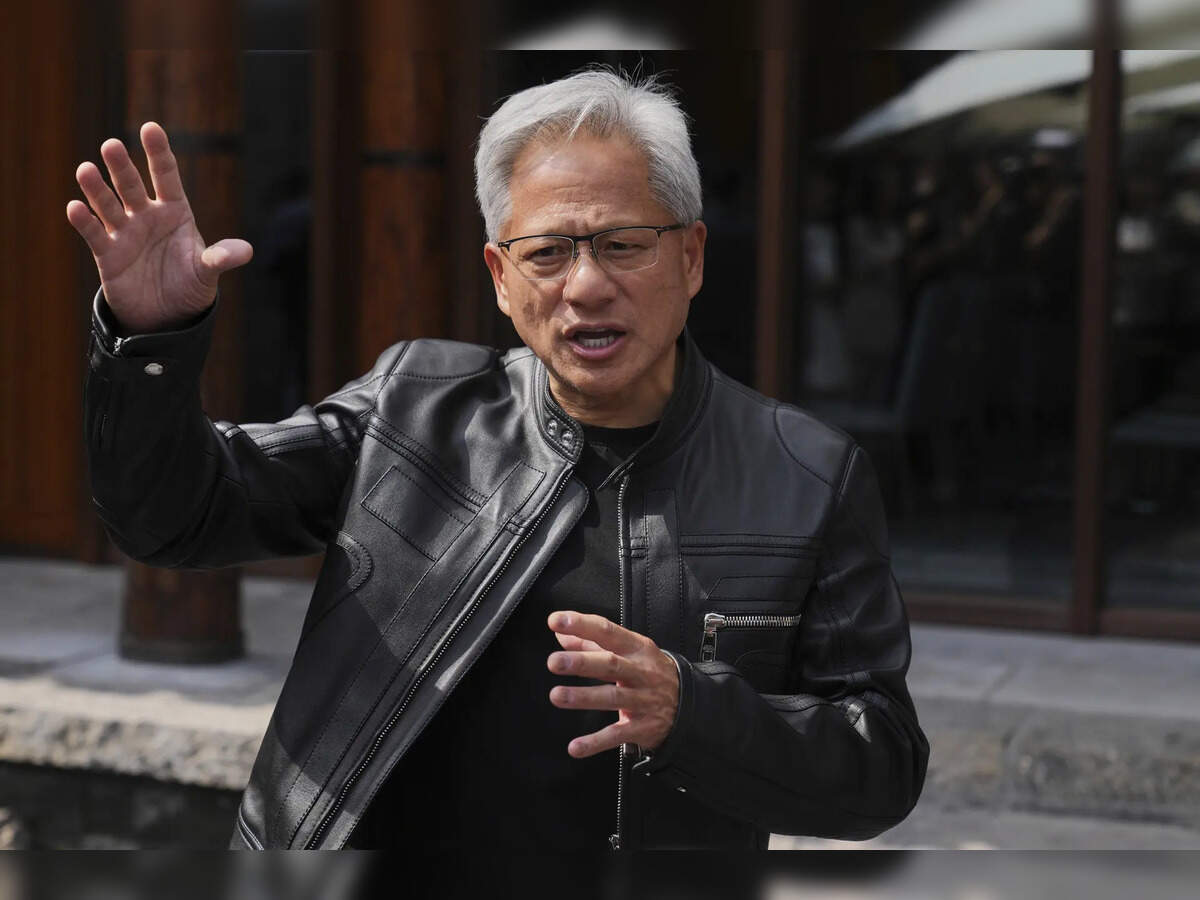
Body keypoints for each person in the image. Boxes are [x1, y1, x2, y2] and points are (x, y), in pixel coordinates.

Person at [68, 69, 928, 850]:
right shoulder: (412, 410)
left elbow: (881, 765)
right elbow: (174, 518)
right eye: (547, 252)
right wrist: (151, 343)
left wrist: (693, 712)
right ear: (500, 277)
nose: (585, 286)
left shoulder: (806, 476)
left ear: (691, 257)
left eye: (623, 243)